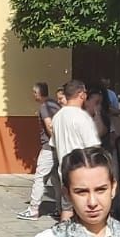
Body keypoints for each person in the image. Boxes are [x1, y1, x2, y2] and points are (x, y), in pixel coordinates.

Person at [50, 81, 101, 223]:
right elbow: (93, 147)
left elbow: (53, 144)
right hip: (82, 171)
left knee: (67, 209)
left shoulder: (57, 117)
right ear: (80, 94)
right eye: (84, 92)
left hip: (64, 169)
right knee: (86, 212)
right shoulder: (82, 117)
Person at [16, 82, 61, 221]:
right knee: (56, 179)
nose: (33, 95)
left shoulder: (45, 107)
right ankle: (59, 208)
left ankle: (33, 209)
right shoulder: (55, 104)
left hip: (49, 147)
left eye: (34, 93)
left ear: (38, 93)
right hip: (58, 147)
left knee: (40, 178)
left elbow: (49, 126)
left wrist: (54, 142)